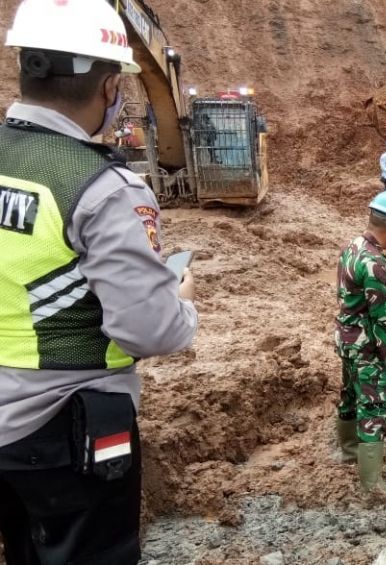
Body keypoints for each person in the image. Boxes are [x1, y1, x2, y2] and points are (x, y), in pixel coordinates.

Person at [0, 1, 199, 562]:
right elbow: (150, 331)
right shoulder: (103, 188)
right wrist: (181, 300)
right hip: (63, 429)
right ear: (111, 88)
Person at [333, 191, 386, 496]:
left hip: (346, 338)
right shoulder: (376, 264)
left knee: (349, 395)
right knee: (373, 407)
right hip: (366, 346)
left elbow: (345, 296)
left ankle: (349, 449)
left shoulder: (352, 247)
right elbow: (381, 320)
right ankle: (372, 484)